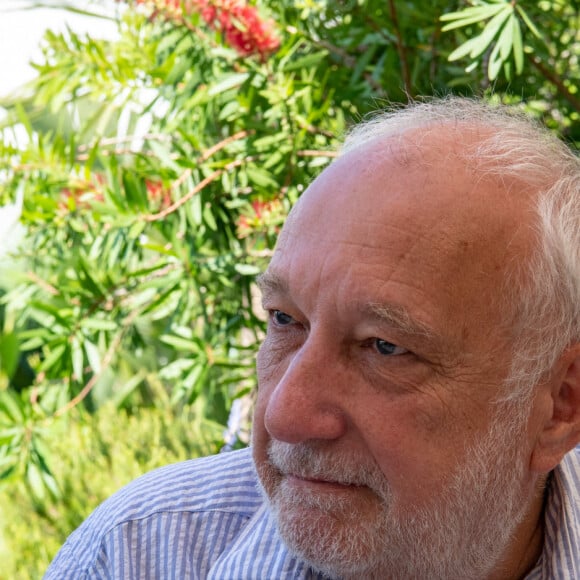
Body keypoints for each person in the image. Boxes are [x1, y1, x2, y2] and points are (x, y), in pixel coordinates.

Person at [45, 96, 580, 580]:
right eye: (284, 321)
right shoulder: (138, 555)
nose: (284, 415)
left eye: (385, 347)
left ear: (560, 405)